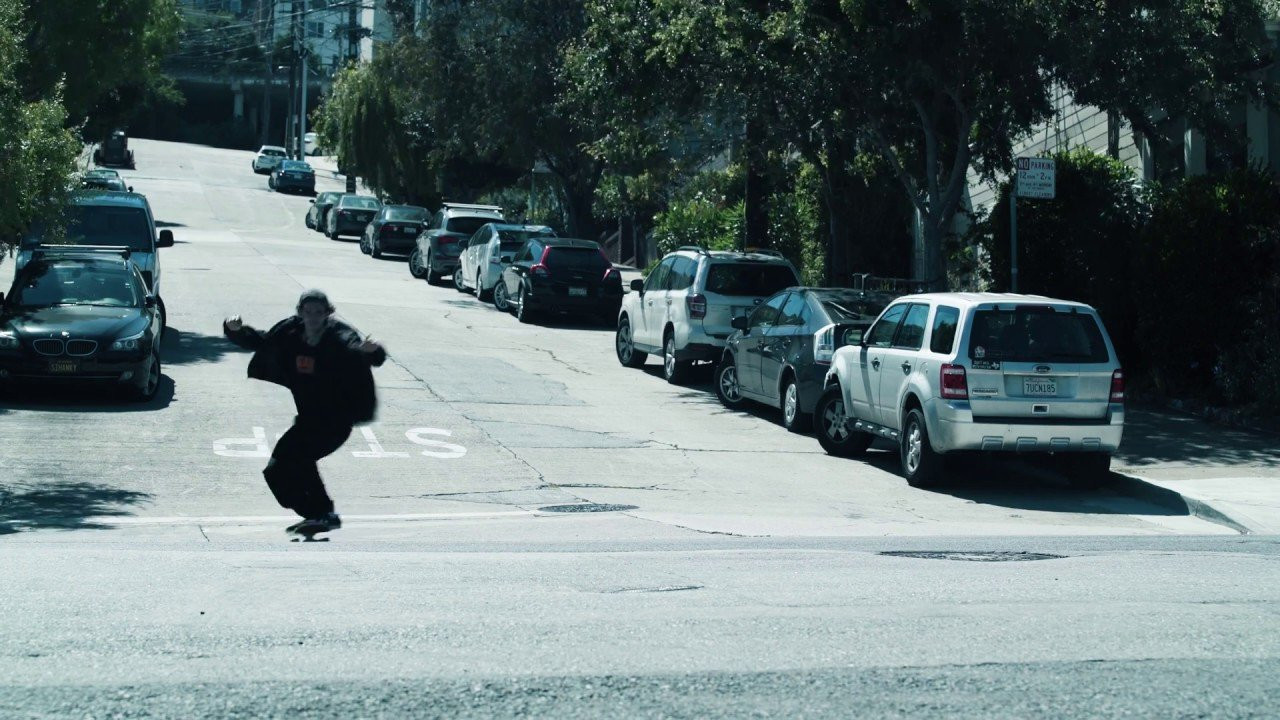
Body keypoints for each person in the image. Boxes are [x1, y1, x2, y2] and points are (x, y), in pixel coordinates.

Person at [223, 290, 386, 536]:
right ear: (300, 312)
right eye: (307, 312)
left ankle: (322, 512)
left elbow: (362, 352)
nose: (312, 317)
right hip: (308, 421)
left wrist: (372, 351)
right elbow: (260, 340)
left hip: (336, 421)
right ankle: (316, 514)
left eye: (318, 312)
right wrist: (234, 329)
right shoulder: (290, 334)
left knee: (300, 459)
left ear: (327, 313)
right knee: (276, 470)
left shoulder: (338, 336)